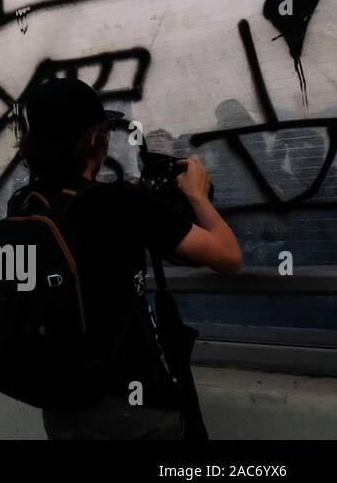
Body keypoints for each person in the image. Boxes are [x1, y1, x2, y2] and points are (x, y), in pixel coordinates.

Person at [15, 78, 242, 440]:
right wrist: (197, 196)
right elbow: (228, 256)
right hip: (135, 411)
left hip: (64, 410)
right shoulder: (118, 202)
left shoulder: (26, 205)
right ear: (94, 139)